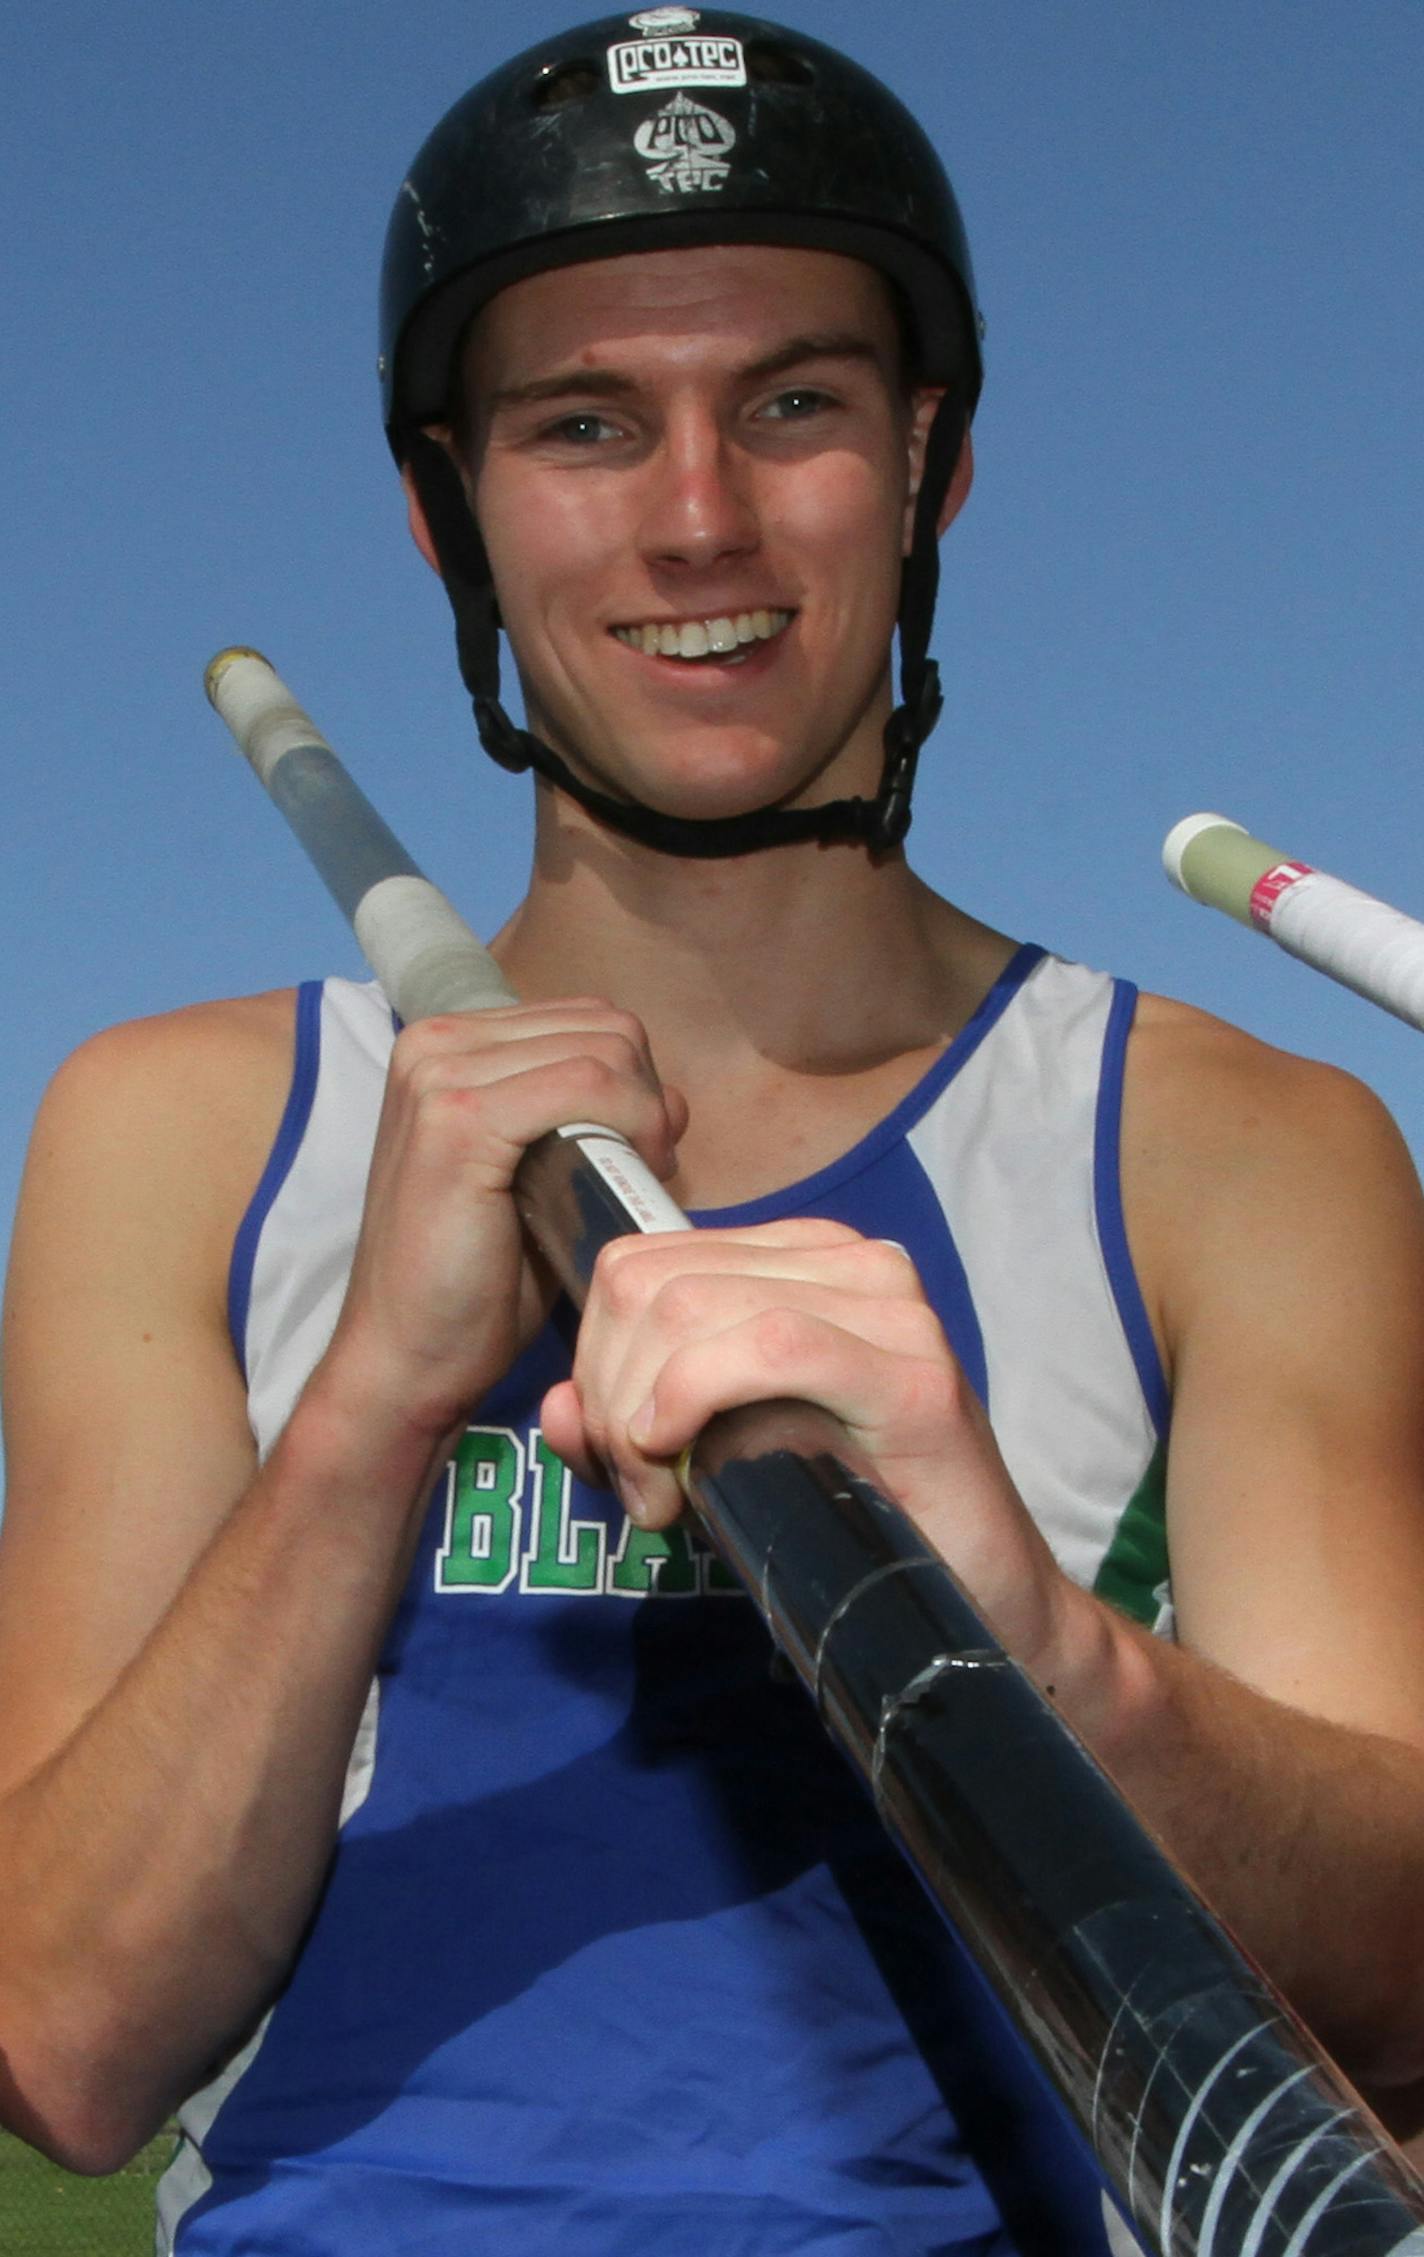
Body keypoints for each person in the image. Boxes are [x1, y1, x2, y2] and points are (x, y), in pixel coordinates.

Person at [3, 10, 1424, 2253]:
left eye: (792, 404)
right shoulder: (178, 1130)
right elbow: (66, 2044)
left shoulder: (1235, 1146)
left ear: (928, 459)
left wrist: (1053, 1656)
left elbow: (1400, 1972)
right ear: (445, 505)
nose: (697, 515)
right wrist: (379, 1395)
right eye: (584, 423)